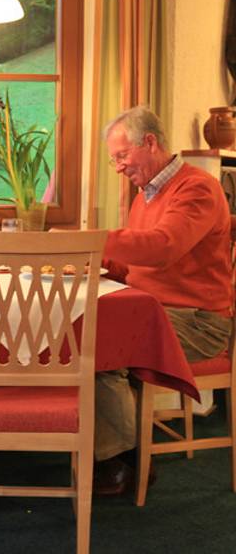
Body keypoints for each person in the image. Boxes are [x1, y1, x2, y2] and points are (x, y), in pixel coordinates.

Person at [94, 105, 233, 495]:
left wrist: (92, 240)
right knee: (89, 336)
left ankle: (125, 464)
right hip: (155, 313)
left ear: (150, 142)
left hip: (200, 323)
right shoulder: (146, 196)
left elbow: (162, 248)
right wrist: (92, 263)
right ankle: (118, 451)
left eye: (122, 156)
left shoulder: (197, 189)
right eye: (114, 159)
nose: (118, 167)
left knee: (100, 347)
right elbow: (133, 266)